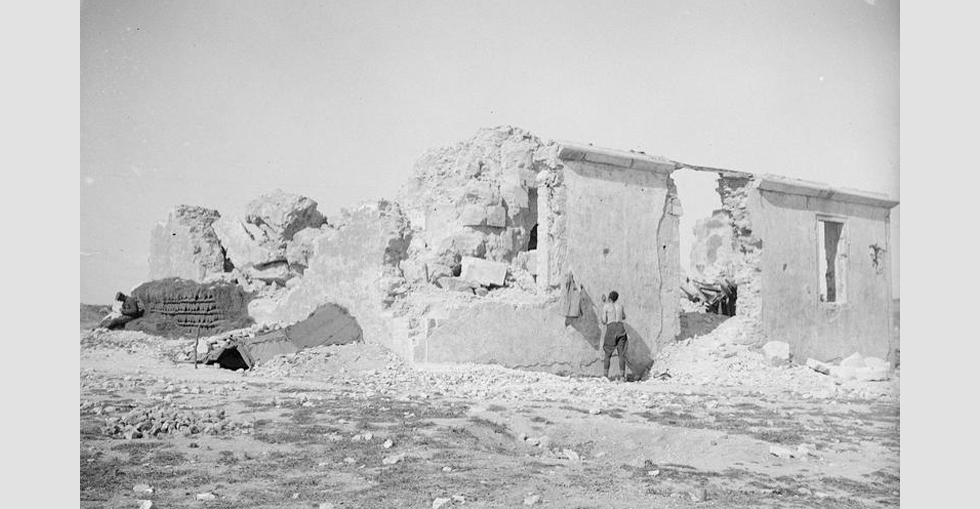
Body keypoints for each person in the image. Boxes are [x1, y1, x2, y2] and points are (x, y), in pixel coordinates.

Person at [601, 290, 628, 381]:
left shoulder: (606, 306)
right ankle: (622, 376)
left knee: (607, 354)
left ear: (609, 298)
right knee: (621, 354)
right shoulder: (620, 306)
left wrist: (605, 309)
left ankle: (605, 375)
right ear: (617, 298)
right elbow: (623, 317)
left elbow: (604, 321)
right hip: (621, 328)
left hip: (611, 328)